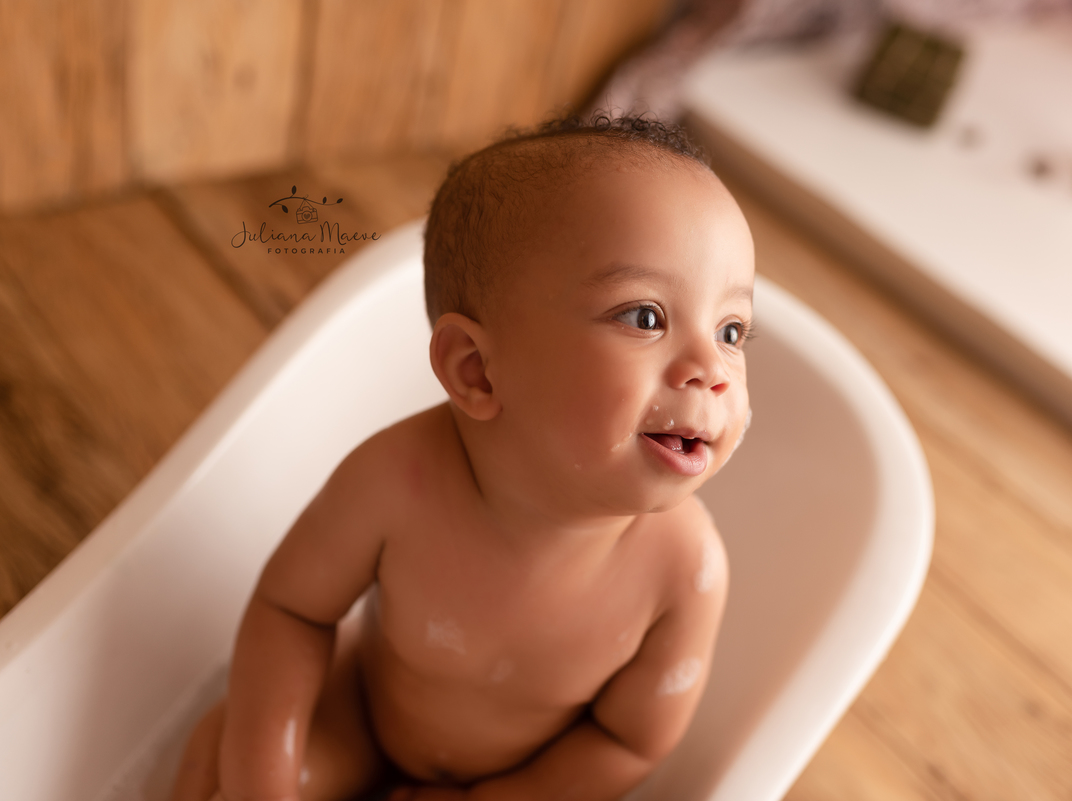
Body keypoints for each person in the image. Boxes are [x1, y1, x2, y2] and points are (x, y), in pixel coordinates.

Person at [171, 114, 755, 801]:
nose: (712, 369)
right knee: (226, 768)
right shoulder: (395, 482)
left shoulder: (686, 570)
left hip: (526, 783)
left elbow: (629, 742)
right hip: (362, 718)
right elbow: (292, 610)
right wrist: (262, 779)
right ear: (476, 370)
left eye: (732, 330)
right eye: (645, 317)